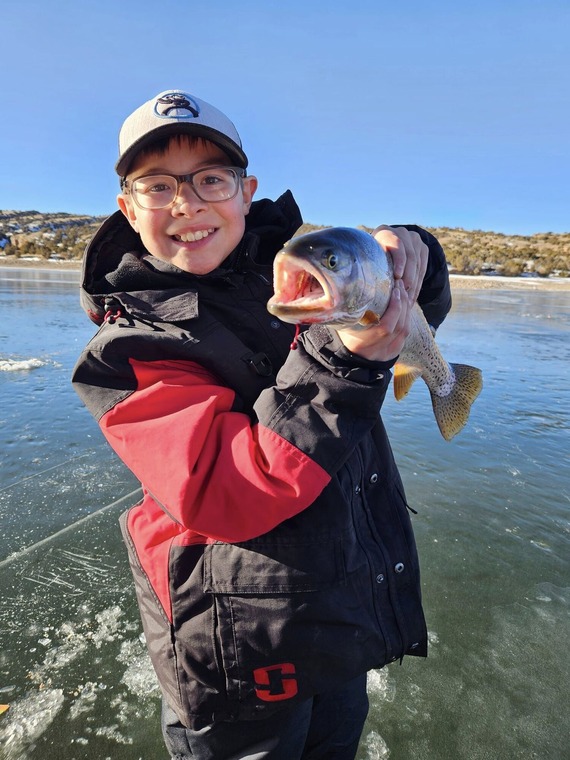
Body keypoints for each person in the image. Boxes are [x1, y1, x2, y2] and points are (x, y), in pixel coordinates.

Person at [72, 88, 451, 760]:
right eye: (158, 186)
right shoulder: (128, 349)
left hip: (339, 618)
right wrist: (339, 361)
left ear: (245, 192)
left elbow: (410, 306)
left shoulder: (296, 275)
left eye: (210, 179)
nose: (187, 204)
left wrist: (411, 256)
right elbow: (226, 490)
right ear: (128, 208)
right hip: (236, 655)